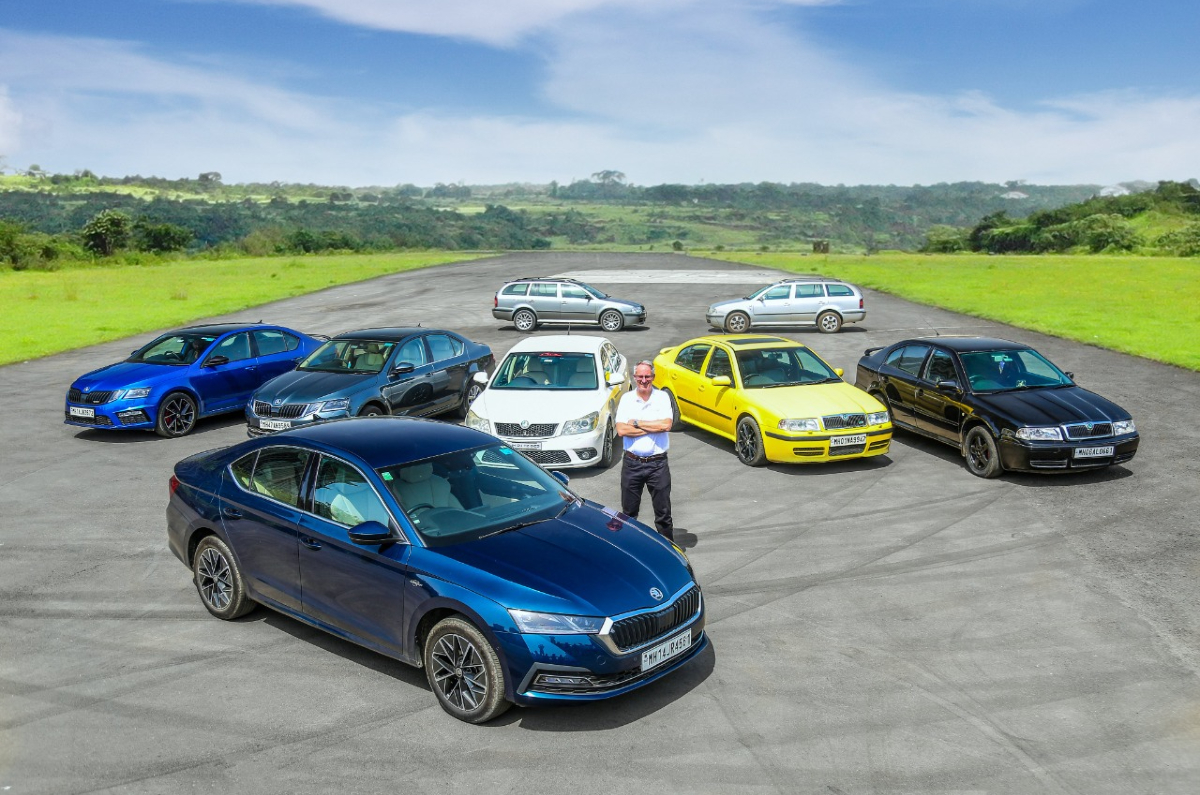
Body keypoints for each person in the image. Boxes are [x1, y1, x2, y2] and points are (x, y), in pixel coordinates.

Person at [615, 360, 674, 539]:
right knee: (629, 513)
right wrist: (653, 426)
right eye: (640, 376)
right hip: (632, 463)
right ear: (635, 377)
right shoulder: (627, 399)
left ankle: (669, 550)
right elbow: (621, 430)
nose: (644, 380)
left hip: (658, 464)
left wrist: (637, 422)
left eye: (647, 376)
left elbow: (666, 425)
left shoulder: (662, 397)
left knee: (663, 514)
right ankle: (630, 547)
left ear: (653, 377)